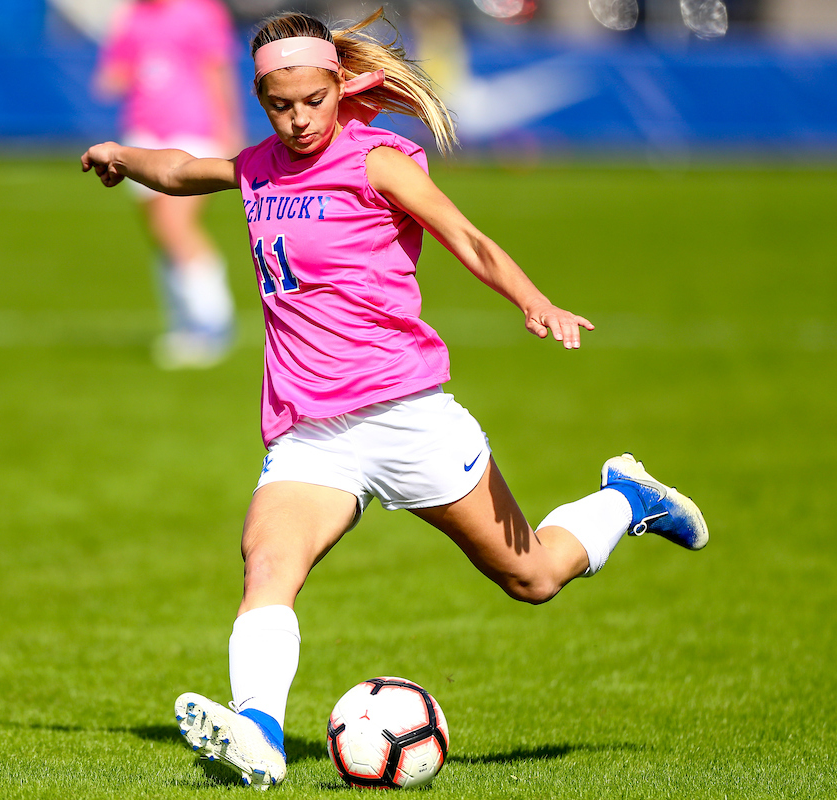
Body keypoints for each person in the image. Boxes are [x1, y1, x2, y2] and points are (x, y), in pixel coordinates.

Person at [82, 8, 709, 789]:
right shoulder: (258, 167)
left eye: (314, 100)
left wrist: (533, 299)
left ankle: (625, 499)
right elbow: (181, 168)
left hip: (407, 417)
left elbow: (466, 236)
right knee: (268, 562)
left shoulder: (375, 160)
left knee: (536, 578)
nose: (300, 118)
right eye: (281, 105)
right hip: (311, 435)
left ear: (341, 87)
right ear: (261, 98)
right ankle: (259, 731)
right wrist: (120, 155)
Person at [94, 0, 242, 369]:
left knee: (176, 225)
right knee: (161, 233)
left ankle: (213, 321)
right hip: (144, 132)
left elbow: (217, 71)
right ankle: (184, 321)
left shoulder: (201, 11)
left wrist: (228, 126)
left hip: (193, 129)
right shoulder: (131, 16)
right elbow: (114, 74)